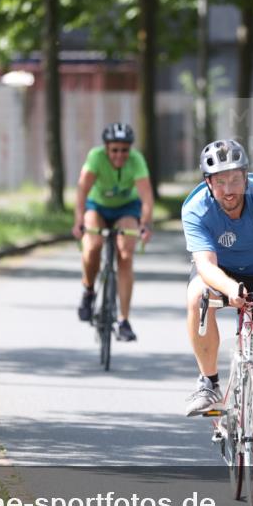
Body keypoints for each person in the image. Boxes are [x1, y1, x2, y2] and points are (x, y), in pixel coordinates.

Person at [181, 139, 253, 489]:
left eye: (235, 179)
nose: (229, 189)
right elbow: (205, 265)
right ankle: (209, 383)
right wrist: (231, 290)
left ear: (246, 177)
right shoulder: (196, 208)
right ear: (208, 183)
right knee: (196, 294)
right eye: (221, 181)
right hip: (219, 275)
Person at [72, 123, 154, 342]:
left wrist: (145, 224)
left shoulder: (136, 161)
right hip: (97, 206)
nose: (119, 155)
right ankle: (88, 291)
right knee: (93, 245)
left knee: (126, 254)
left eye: (124, 150)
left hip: (126, 209)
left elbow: (146, 196)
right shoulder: (95, 157)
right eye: (114, 150)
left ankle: (123, 320)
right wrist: (79, 220)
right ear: (106, 148)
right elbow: (82, 190)